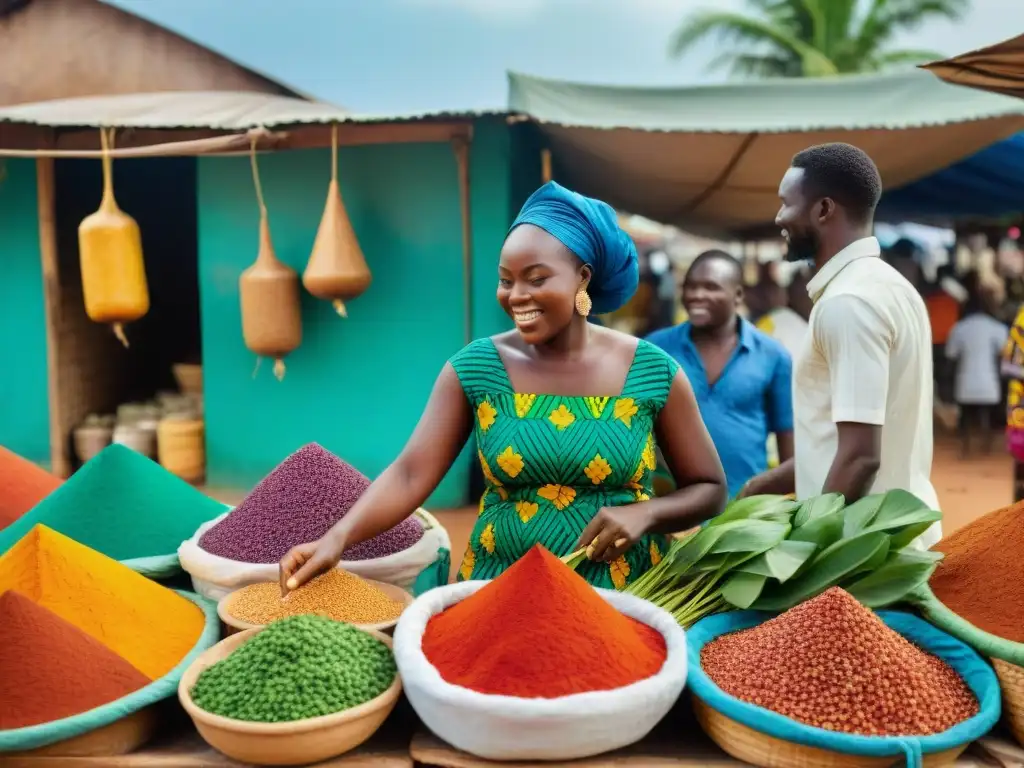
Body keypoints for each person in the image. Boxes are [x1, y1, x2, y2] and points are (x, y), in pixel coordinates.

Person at [279, 182, 727, 593]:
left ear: (583, 278)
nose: (516, 295)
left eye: (536, 278)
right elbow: (412, 472)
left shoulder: (652, 371)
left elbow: (708, 487)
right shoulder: (476, 368)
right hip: (498, 590)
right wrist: (337, 536)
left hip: (622, 594)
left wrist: (646, 512)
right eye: (505, 279)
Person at [740, 142, 940, 548]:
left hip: (862, 552)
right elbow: (844, 440)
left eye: (785, 204)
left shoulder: (848, 302)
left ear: (823, 210)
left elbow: (861, 457)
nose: (778, 217)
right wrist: (764, 484)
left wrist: (808, 551)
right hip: (889, 536)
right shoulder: (888, 287)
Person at [647, 250, 793, 499]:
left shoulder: (773, 355)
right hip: (668, 513)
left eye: (710, 287)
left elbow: (789, 450)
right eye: (689, 287)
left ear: (738, 295)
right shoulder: (655, 350)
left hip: (743, 516)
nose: (696, 296)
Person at [946, 280, 1009, 457]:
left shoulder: (959, 328)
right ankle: (986, 446)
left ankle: (966, 447)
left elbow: (951, 356)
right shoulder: (997, 328)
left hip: (965, 382)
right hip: (989, 383)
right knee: (987, 414)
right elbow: (1005, 355)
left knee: (965, 415)